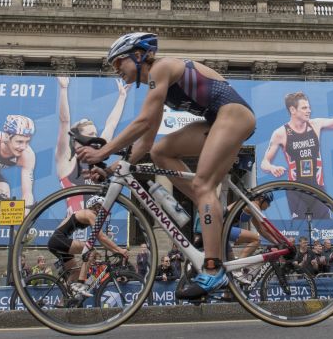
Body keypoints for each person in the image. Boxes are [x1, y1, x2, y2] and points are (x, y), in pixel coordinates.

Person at [77, 32, 256, 299]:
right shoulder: (157, 84)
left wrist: (103, 149)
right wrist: (114, 166)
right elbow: (147, 142)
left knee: (203, 185)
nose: (117, 72)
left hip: (234, 115)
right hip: (218, 118)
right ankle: (209, 208)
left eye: (119, 64)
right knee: (162, 151)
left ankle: (212, 269)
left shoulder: (161, 68)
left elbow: (142, 121)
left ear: (139, 56)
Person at [259, 88, 333, 219]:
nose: (309, 110)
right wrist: (271, 168)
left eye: (309, 107)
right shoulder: (280, 133)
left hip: (318, 188)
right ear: (293, 110)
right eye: (304, 108)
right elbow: (264, 163)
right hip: (296, 190)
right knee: (301, 232)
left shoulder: (315, 124)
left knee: (326, 229)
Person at [55, 76, 130, 213]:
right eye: (90, 135)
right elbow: (64, 121)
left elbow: (111, 125)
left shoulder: (96, 157)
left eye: (95, 134)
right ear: (77, 138)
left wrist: (122, 97)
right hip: (75, 221)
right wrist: (64, 89)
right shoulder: (66, 161)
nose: (95, 138)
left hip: (97, 222)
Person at [46, 196, 129, 297]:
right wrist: (119, 250)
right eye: (101, 208)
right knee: (91, 250)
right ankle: (81, 283)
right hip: (57, 240)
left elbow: (100, 238)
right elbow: (101, 237)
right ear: (95, 207)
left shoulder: (87, 214)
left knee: (75, 273)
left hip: (56, 242)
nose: (103, 211)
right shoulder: (89, 213)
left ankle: (65, 301)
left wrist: (114, 249)